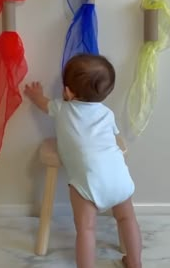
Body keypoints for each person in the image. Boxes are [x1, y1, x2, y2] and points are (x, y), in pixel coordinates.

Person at [24, 54, 142, 268]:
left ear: (68, 91)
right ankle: (134, 262)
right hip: (119, 177)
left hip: (87, 183)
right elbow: (115, 136)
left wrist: (35, 95)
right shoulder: (107, 113)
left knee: (86, 229)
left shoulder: (61, 108)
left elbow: (43, 104)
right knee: (127, 220)